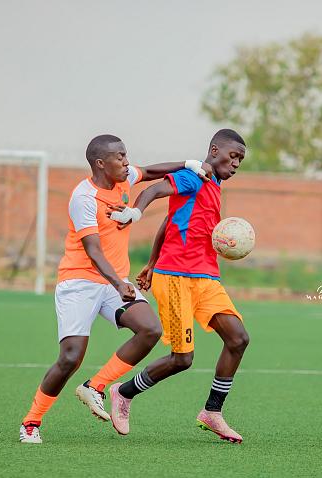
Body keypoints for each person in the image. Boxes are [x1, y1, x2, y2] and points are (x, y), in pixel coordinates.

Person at [19, 134, 212, 444]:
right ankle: (31, 422)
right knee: (70, 358)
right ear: (100, 163)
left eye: (125, 155)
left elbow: (150, 172)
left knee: (150, 329)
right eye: (119, 156)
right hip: (79, 282)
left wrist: (188, 163)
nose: (126, 161)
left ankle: (95, 386)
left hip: (113, 281)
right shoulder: (84, 198)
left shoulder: (122, 180)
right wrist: (119, 284)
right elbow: (93, 251)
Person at [107, 129, 250, 444]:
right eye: (233, 155)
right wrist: (136, 212)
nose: (236, 163)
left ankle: (212, 411)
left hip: (207, 278)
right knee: (182, 359)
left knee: (238, 339)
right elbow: (155, 189)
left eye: (241, 159)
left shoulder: (215, 186)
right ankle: (124, 393)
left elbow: (169, 222)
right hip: (175, 278)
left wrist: (150, 262)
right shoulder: (195, 176)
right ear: (215, 150)